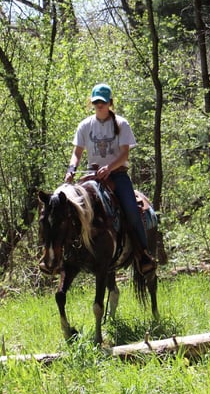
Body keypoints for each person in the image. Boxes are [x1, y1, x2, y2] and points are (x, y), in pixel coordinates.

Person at [64, 83, 156, 275]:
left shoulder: (121, 124)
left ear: (110, 103)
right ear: (92, 102)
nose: (99, 105)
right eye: (96, 101)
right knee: (73, 209)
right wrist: (72, 168)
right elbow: (77, 152)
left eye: (103, 102)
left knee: (131, 209)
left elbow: (124, 155)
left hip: (118, 175)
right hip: (92, 176)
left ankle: (142, 253)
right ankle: (69, 255)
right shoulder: (85, 125)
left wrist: (110, 168)